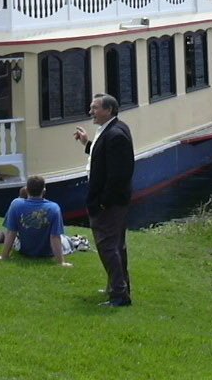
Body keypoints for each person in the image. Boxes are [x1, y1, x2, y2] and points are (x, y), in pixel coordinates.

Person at [74, 93, 134, 307]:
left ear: (108, 110)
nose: (91, 111)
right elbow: (102, 157)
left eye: (95, 108)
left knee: (107, 246)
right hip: (112, 200)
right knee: (117, 245)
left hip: (110, 202)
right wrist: (86, 143)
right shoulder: (110, 130)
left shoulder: (116, 134)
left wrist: (103, 202)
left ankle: (119, 294)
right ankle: (119, 286)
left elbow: (120, 173)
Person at [0, 175, 73, 267]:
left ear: (26, 189)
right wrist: (61, 262)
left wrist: (4, 256)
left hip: (25, 251)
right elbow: (55, 237)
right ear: (44, 191)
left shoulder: (15, 204)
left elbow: (11, 232)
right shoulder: (54, 208)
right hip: (48, 253)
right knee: (66, 239)